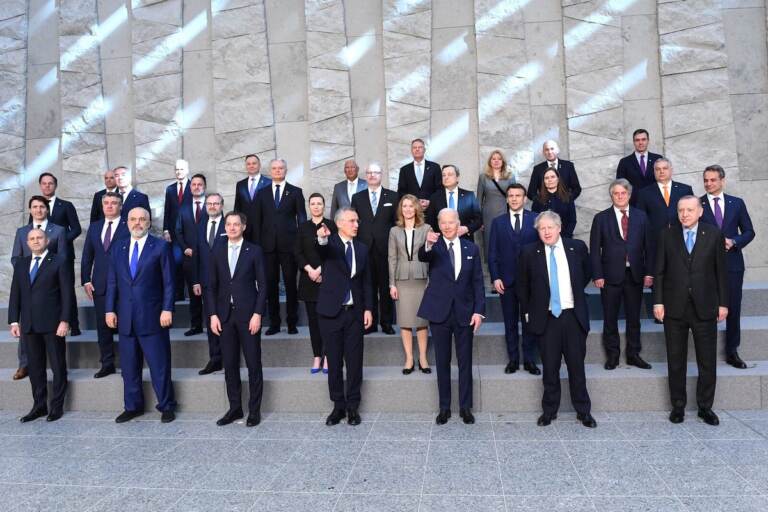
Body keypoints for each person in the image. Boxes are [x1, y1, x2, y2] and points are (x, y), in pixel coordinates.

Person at [517, 210, 596, 428]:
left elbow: (587, 272)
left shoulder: (577, 248)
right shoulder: (529, 252)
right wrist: (529, 314)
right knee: (550, 369)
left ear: (559, 228)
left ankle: (584, 411)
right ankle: (549, 411)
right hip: (547, 318)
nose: (546, 232)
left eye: (550, 227)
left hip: (572, 317)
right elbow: (523, 286)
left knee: (576, 368)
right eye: (542, 228)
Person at [653, 196, 728, 426]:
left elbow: (721, 273)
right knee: (676, 360)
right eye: (681, 210)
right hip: (674, 307)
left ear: (700, 211)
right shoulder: (667, 235)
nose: (684, 214)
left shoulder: (713, 234)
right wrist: (658, 302)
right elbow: (659, 272)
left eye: (689, 210)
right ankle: (678, 406)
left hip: (705, 306)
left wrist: (723, 304)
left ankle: (705, 407)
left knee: (707, 361)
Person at [106, 207, 177, 424]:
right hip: (125, 317)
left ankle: (166, 406)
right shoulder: (118, 247)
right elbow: (112, 281)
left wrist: (167, 309)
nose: (138, 223)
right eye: (133, 219)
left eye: (142, 219)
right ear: (127, 222)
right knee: (129, 368)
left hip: (153, 316)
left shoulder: (161, 246)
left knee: (159, 365)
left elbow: (169, 282)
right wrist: (109, 309)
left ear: (149, 222)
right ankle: (132, 406)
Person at [418, 208, 485, 425]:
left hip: (465, 313)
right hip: (439, 313)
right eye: (443, 223)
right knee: (443, 361)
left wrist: (479, 311)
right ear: (439, 225)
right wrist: (427, 243)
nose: (447, 226)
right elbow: (422, 255)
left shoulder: (471, 248)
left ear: (459, 224)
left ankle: (465, 407)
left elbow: (477, 282)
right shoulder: (433, 247)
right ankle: (444, 407)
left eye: (451, 222)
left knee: (465, 362)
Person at [207, 211, 267, 427]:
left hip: (248, 316)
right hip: (224, 316)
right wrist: (213, 315)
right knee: (230, 364)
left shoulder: (255, 251)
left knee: (253, 364)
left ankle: (254, 410)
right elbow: (211, 287)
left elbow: (263, 287)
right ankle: (235, 408)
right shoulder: (217, 251)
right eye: (228, 224)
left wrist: (258, 314)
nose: (231, 228)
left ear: (243, 227)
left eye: (236, 224)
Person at [316, 208, 374, 426]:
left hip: (355, 314)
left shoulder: (362, 248)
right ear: (339, 224)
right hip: (331, 313)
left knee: (355, 362)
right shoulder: (330, 245)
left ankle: (352, 407)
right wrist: (321, 238)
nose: (356, 224)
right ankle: (337, 407)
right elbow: (320, 249)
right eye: (351, 221)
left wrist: (368, 308)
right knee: (334, 361)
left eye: (357, 221)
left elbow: (366, 281)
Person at [8, 229, 72, 422]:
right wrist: (13, 320)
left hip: (53, 324)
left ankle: (56, 407)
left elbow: (67, 294)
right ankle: (39, 406)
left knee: (58, 366)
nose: (36, 241)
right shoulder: (21, 264)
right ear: (27, 243)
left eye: (39, 238)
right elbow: (15, 294)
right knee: (35, 368)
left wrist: (65, 320)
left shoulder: (59, 260)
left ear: (47, 240)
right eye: (32, 239)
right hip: (29, 325)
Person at [589, 179, 654, 371]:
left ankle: (634, 354)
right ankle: (613, 355)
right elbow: (594, 250)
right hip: (609, 277)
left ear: (629, 194)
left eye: (623, 193)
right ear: (611, 196)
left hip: (635, 275)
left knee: (634, 318)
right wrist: (597, 275)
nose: (620, 196)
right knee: (610, 318)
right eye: (616, 193)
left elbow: (649, 247)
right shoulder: (601, 218)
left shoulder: (641, 217)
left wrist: (649, 273)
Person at [700, 165, 755, 369]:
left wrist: (735, 241)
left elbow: (749, 231)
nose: (708, 183)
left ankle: (732, 351)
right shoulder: (697, 204)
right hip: (705, 267)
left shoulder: (737, 203)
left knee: (733, 308)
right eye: (706, 180)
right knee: (707, 309)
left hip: (732, 264)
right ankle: (707, 352)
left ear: (722, 180)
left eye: (713, 180)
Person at [10, 196, 67, 381]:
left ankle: (55, 407)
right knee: (32, 355)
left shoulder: (57, 231)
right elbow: (15, 258)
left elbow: (62, 259)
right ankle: (24, 365)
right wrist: (24, 275)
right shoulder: (22, 232)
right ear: (30, 210)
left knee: (56, 361)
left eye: (41, 206)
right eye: (34, 207)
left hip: (50, 295)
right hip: (28, 290)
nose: (38, 210)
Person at [488, 184, 540, 375]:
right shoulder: (498, 222)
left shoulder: (535, 219)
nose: (515, 199)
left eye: (518, 195)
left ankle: (529, 360)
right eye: (511, 196)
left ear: (525, 198)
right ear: (507, 199)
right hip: (506, 282)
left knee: (529, 322)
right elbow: (492, 253)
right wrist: (495, 277)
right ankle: (513, 360)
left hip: (530, 282)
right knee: (510, 322)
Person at [252, 158, 306, 335]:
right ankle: (274, 323)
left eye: (281, 168)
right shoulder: (261, 193)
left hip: (289, 246)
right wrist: (258, 246)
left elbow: (302, 220)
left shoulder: (296, 192)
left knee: (291, 284)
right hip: (267, 247)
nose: (277, 171)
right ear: (270, 170)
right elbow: (257, 222)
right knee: (270, 285)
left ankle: (292, 322)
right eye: (274, 168)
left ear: (286, 170)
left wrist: (300, 244)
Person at [81, 192, 129, 379]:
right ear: (102, 206)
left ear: (120, 206)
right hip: (100, 284)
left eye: (114, 203)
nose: (109, 206)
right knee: (103, 327)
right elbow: (87, 256)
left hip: (124, 284)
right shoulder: (94, 227)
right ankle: (107, 363)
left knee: (126, 325)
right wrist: (86, 279)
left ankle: (128, 363)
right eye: (106, 203)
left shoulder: (128, 225)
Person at [351, 163, 398, 335]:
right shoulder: (357, 197)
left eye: (375, 172)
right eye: (369, 172)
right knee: (367, 286)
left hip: (385, 249)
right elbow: (353, 222)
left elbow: (396, 223)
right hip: (363, 248)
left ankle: (386, 322)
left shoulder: (393, 196)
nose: (372, 175)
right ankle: (369, 323)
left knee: (385, 286)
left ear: (381, 174)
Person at [388, 194, 432, 374]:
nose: (407, 209)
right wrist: (392, 284)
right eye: (404, 206)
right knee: (405, 321)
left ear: (416, 208)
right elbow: (392, 258)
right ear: (401, 209)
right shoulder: (394, 231)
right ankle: (409, 358)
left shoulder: (427, 228)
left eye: (410, 206)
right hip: (402, 280)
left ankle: (423, 357)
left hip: (422, 278)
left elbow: (431, 256)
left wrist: (432, 281)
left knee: (422, 321)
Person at [36, 172, 82, 336]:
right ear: (40, 185)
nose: (47, 186)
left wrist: (59, 241)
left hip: (63, 256)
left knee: (67, 288)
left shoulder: (66, 205)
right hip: (42, 256)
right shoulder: (36, 206)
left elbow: (76, 229)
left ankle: (74, 326)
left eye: (50, 183)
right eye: (44, 183)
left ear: (55, 186)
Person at [295, 193, 336, 373]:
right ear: (309, 206)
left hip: (327, 279)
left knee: (327, 320)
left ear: (324, 206)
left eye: (319, 203)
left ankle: (328, 356)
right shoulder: (302, 227)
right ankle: (317, 356)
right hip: (308, 279)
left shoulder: (332, 225)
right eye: (313, 204)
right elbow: (297, 252)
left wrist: (320, 270)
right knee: (313, 322)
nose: (316, 206)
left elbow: (334, 251)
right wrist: (310, 270)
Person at [193, 193, 227, 375]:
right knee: (211, 320)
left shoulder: (229, 224)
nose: (212, 206)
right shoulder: (200, 226)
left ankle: (229, 358)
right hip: (206, 282)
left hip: (227, 282)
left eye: (216, 203)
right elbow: (197, 255)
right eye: (209, 204)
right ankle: (215, 359)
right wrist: (196, 280)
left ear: (222, 205)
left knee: (227, 320)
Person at [174, 173, 208, 337]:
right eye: (193, 184)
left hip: (208, 258)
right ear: (190, 187)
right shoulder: (184, 208)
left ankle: (212, 323)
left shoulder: (211, 205)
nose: (196, 187)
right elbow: (178, 231)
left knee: (209, 291)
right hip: (189, 256)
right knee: (194, 294)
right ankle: (196, 326)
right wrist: (184, 248)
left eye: (199, 184)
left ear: (204, 187)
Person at [635, 157, 693, 250]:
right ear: (654, 172)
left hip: (682, 240)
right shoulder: (644, 193)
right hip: (655, 243)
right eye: (658, 169)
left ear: (671, 170)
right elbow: (640, 219)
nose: (661, 171)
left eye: (665, 168)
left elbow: (693, 214)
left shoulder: (685, 189)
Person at [425, 165, 482, 242]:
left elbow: (479, 220)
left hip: (464, 240)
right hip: (442, 243)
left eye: (450, 174)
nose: (446, 177)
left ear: (457, 177)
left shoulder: (469, 195)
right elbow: (430, 222)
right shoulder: (435, 197)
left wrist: (466, 229)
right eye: (444, 175)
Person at [476, 149, 515, 257]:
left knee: (505, 243)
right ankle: (490, 272)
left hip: (505, 213)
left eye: (499, 159)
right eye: (493, 159)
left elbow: (514, 198)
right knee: (489, 243)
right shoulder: (483, 177)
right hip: (488, 216)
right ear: (490, 161)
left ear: (503, 161)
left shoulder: (510, 176)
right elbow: (479, 199)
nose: (496, 161)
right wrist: (479, 220)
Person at [163, 159, 192, 301]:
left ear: (187, 170)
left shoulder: (194, 186)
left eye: (181, 169)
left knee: (192, 264)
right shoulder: (170, 189)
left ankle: (194, 294)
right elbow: (167, 210)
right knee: (176, 263)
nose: (179, 172)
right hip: (174, 234)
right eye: (177, 169)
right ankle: (179, 294)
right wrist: (166, 230)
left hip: (190, 232)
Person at [616, 129, 664, 206]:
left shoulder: (658, 159)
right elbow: (620, 185)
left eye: (643, 139)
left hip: (655, 203)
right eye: (637, 140)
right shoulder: (624, 162)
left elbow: (664, 180)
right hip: (633, 205)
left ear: (648, 141)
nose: (640, 142)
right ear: (634, 142)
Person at [234, 154, 272, 241]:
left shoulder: (269, 183)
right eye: (248, 164)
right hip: (245, 229)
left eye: (254, 163)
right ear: (246, 166)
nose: (251, 166)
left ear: (259, 165)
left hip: (264, 229)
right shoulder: (240, 184)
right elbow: (237, 207)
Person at [531, 167, 576, 238]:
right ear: (544, 181)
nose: (550, 180)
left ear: (558, 179)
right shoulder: (537, 199)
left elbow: (572, 220)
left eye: (552, 177)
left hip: (565, 238)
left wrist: (565, 238)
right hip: (544, 239)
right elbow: (535, 221)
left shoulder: (568, 197)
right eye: (546, 178)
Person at [397, 138, 442, 208]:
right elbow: (401, 192)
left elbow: (440, 189)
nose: (417, 149)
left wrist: (430, 201)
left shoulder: (435, 167)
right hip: (412, 210)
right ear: (411, 151)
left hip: (431, 209)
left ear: (424, 150)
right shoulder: (404, 170)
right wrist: (413, 202)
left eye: (420, 147)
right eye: (414, 147)